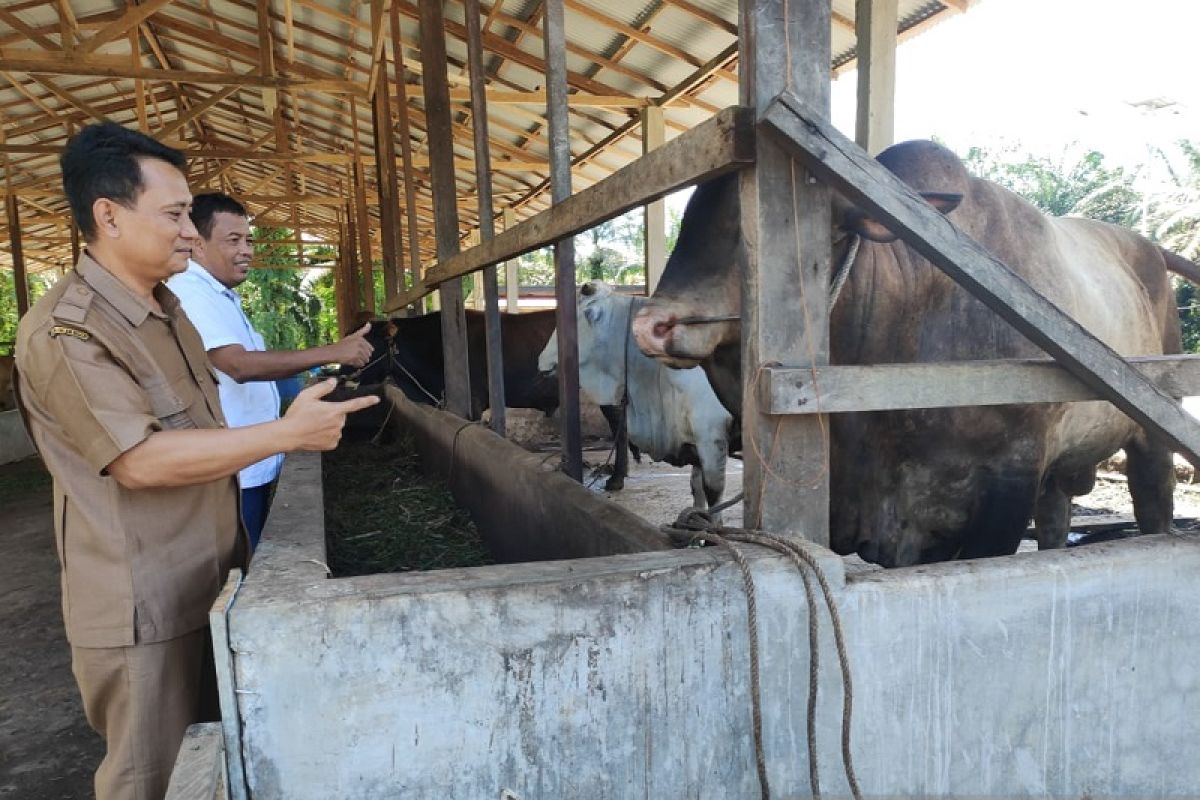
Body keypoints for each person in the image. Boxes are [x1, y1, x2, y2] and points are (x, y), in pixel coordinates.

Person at [13, 121, 378, 800]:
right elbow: (140, 461)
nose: (190, 232)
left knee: (216, 760)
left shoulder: (167, 308)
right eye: (176, 215)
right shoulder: (68, 330)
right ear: (109, 216)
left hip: (207, 577)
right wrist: (285, 434)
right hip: (142, 604)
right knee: (150, 779)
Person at [167, 193, 374, 549]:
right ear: (197, 245)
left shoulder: (218, 295)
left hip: (245, 461)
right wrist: (332, 352)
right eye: (233, 241)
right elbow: (237, 365)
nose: (246, 250)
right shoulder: (190, 291)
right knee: (238, 566)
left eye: (248, 240)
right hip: (230, 470)